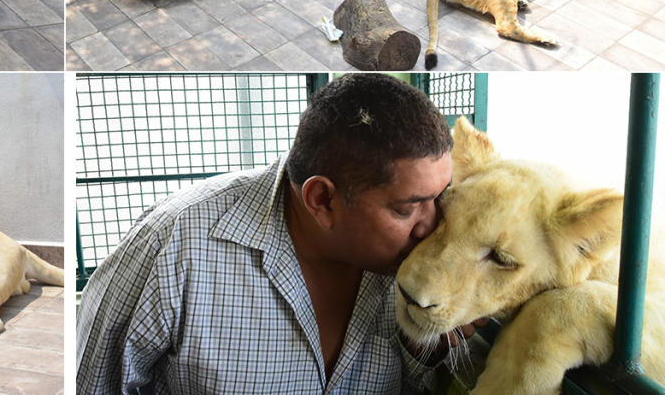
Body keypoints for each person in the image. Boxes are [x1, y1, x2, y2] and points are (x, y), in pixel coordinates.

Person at [76, 73, 483, 394]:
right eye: (407, 207)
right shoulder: (174, 244)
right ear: (322, 200)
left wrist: (419, 354)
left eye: (440, 196)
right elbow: (92, 383)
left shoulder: (417, 263)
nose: (431, 226)